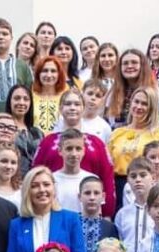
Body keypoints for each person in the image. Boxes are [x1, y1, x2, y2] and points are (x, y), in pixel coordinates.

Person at [7, 166, 89, 252]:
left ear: (54, 188)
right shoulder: (17, 225)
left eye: (46, 184)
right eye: (35, 186)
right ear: (27, 190)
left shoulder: (70, 219)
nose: (42, 190)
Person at [33, 89, 116, 218]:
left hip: (89, 213)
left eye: (77, 104)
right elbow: (35, 175)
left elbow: (107, 178)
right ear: (60, 108)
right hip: (53, 211)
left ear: (83, 108)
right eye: (68, 104)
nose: (72, 108)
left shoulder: (97, 144)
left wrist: (107, 213)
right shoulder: (47, 143)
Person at [109, 87, 159, 208]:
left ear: (152, 108)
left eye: (144, 104)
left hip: (146, 187)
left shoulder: (158, 134)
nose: (139, 106)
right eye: (136, 101)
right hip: (117, 186)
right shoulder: (117, 133)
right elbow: (107, 163)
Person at [114, 157, 155, 252]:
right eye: (133, 176)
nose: (138, 180)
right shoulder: (122, 214)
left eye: (143, 175)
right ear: (128, 180)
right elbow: (121, 244)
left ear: (153, 178)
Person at [107, 48, 158, 128]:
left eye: (134, 62)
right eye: (125, 63)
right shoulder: (113, 92)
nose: (129, 66)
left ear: (142, 66)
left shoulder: (154, 90)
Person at [79, 177, 119, 252]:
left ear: (103, 196)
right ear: (79, 196)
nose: (92, 197)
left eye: (96, 193)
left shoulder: (110, 227)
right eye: (87, 193)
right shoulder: (71, 223)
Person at [4, 84, 43, 177]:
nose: (21, 102)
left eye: (26, 99)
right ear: (10, 101)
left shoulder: (37, 133)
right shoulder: (2, 130)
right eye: (17, 98)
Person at [52, 129, 94, 213]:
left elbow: (96, 212)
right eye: (69, 149)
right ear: (60, 151)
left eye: (78, 149)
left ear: (84, 151)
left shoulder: (92, 180)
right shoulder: (51, 179)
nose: (74, 154)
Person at [32, 56, 67, 133]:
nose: (48, 75)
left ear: (59, 74)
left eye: (53, 71)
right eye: (44, 71)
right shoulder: (29, 96)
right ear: (38, 74)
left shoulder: (66, 96)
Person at [78, 79, 114, 144]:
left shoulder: (105, 127)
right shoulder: (66, 119)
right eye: (90, 93)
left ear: (102, 100)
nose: (93, 98)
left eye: (98, 96)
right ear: (82, 94)